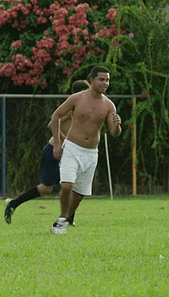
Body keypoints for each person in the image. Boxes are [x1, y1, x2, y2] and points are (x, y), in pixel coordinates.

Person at [4, 79, 90, 225]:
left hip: (70, 152)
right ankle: (13, 204)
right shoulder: (70, 108)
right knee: (45, 188)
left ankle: (69, 219)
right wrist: (63, 141)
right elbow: (52, 124)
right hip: (53, 151)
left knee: (72, 186)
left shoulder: (84, 109)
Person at [49, 66, 121, 234]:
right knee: (67, 186)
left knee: (80, 194)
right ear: (92, 80)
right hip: (72, 148)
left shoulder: (109, 105)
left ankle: (65, 219)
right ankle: (61, 219)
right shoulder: (76, 99)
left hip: (91, 153)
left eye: (108, 80)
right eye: (102, 79)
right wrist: (58, 143)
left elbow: (114, 133)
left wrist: (117, 126)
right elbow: (55, 116)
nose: (105, 83)